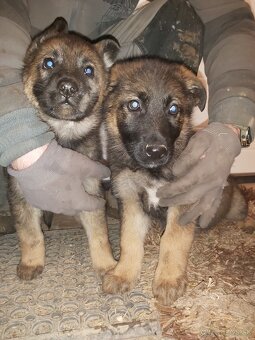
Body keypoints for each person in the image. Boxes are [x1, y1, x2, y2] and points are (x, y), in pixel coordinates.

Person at [0, 0, 255, 231]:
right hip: (26, 53)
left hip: (111, 54)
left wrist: (231, 123)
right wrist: (20, 142)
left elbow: (228, 19)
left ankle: (135, 182)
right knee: (15, 194)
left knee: (179, 15)